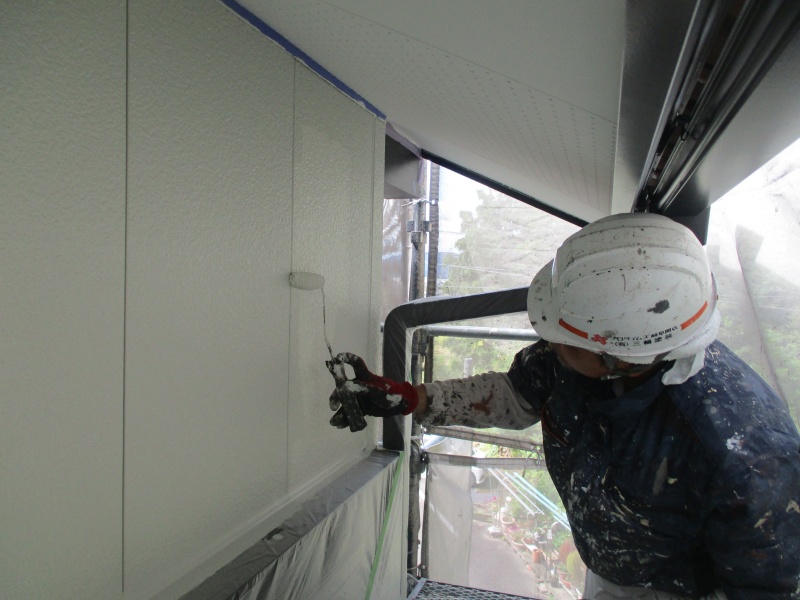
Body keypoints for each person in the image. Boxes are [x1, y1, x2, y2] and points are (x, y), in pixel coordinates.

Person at [329, 212, 800, 600]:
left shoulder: (746, 451)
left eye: (563, 341)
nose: (549, 346)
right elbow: (515, 394)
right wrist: (413, 398)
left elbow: (768, 588)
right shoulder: (588, 354)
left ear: (620, 358)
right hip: (608, 572)